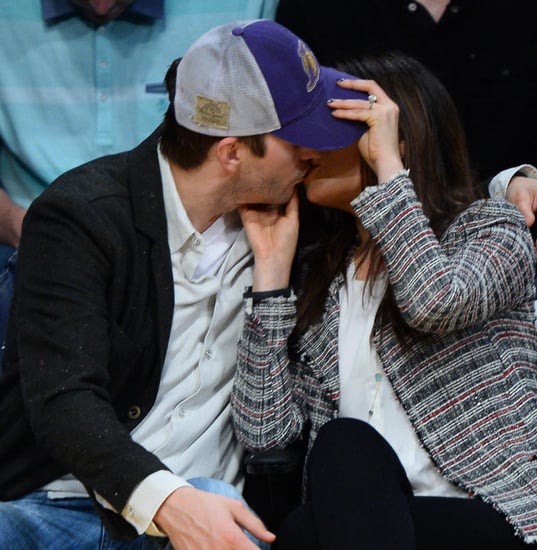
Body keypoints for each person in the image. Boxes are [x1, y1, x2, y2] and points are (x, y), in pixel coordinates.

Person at [0, 19, 376, 549]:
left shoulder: (296, 212)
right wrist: (169, 502)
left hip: (209, 507)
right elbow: (64, 399)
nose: (315, 155)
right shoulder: (82, 217)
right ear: (231, 154)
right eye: (300, 137)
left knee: (217, 505)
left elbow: (424, 191)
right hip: (59, 503)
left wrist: (513, 183)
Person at [231, 51, 537, 548]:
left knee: (314, 511)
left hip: (485, 513)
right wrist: (271, 274)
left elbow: (434, 301)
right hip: (360, 516)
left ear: (392, 142)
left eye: (333, 128)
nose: (309, 147)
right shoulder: (324, 273)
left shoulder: (492, 229)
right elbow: (266, 435)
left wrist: (387, 166)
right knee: (329, 474)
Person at [0, 0, 278, 359]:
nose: (101, 5)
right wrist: (16, 223)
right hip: (25, 240)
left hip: (203, 244)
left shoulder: (242, 7)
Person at [275, 0, 537, 184]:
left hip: (517, 228)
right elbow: (288, 130)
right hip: (346, 235)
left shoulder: (532, 12)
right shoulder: (315, 10)